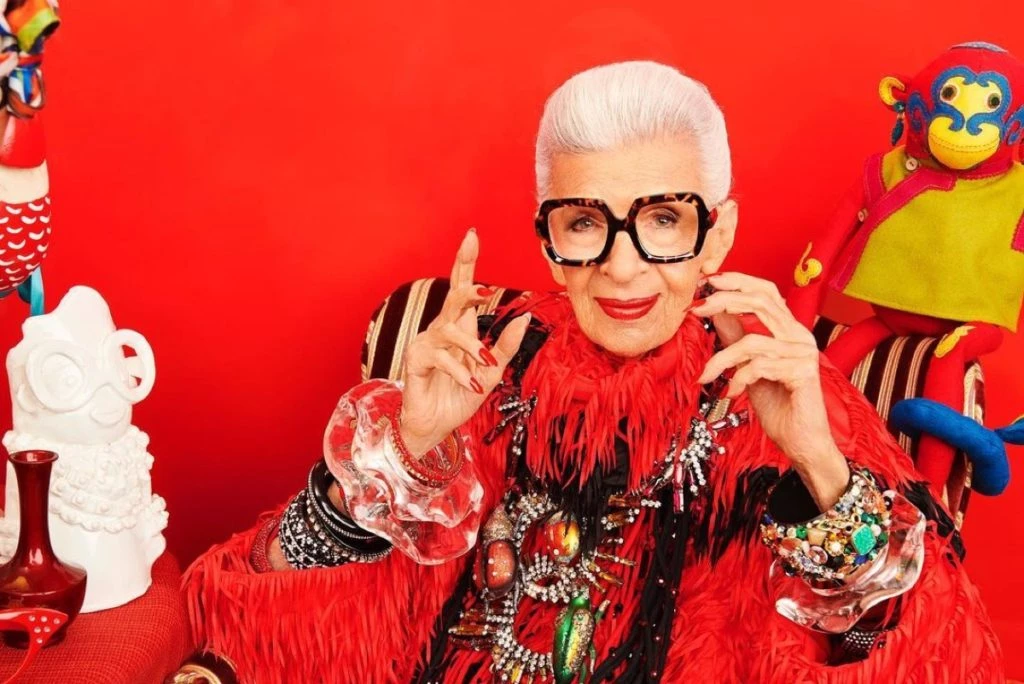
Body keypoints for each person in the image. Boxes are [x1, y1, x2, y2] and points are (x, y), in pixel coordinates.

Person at [182, 61, 1002, 683]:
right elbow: (260, 610)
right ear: (549, 243)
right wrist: (400, 452)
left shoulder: (780, 380)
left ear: (717, 236)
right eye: (584, 222)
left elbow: (937, 654)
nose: (621, 266)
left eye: (663, 219)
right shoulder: (489, 361)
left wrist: (820, 466)